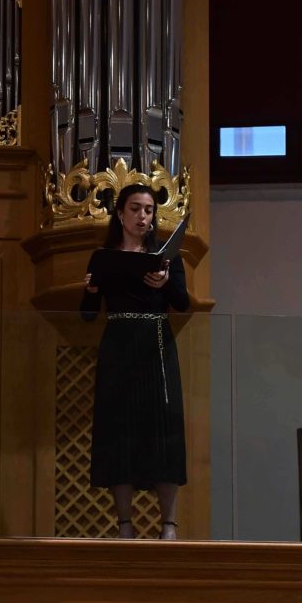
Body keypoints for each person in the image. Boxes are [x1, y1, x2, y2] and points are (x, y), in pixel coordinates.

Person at [80, 184, 190, 540]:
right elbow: (87, 315)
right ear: (120, 213)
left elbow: (183, 304)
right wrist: (91, 291)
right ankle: (124, 525)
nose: (143, 216)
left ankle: (168, 526)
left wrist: (164, 285)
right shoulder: (104, 257)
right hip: (118, 346)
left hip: (156, 345)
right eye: (135, 209)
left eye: (148, 210)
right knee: (119, 432)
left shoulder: (166, 256)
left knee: (163, 431)